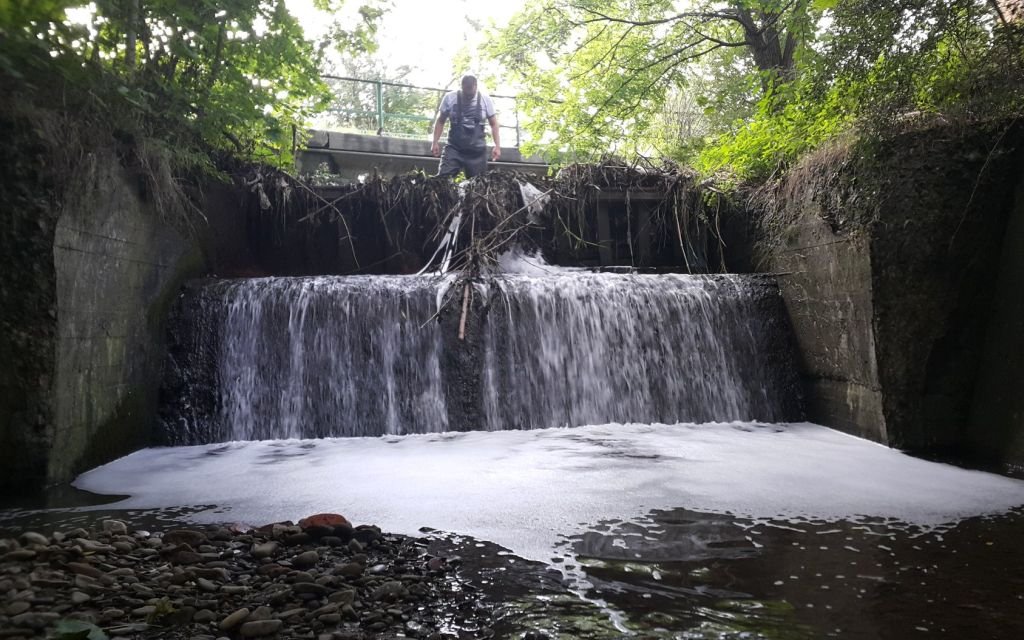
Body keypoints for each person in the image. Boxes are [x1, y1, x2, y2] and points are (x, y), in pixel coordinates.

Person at [431, 74, 501, 178]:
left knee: (478, 186)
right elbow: (440, 121)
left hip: (477, 152)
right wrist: (435, 142)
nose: (468, 96)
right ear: (461, 86)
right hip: (454, 149)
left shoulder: (486, 100)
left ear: (476, 86)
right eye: (465, 92)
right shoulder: (450, 98)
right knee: (442, 180)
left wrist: (497, 146)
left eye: (470, 92)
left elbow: (494, 124)